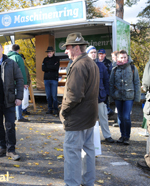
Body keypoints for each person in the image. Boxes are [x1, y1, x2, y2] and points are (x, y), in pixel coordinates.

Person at [60, 32, 100, 186]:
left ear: (76, 48)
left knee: (72, 154)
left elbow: (74, 95)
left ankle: (73, 184)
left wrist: (63, 111)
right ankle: (87, 182)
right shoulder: (91, 63)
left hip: (77, 119)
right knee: (89, 151)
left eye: (68, 47)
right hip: (89, 117)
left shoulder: (79, 65)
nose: (65, 51)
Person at [110, 50, 140, 145]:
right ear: (117, 58)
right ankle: (122, 135)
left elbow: (137, 83)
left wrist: (137, 98)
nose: (123, 59)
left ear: (127, 57)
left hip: (129, 96)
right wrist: (111, 97)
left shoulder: (132, 68)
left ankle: (127, 136)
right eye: (121, 57)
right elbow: (111, 84)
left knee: (126, 117)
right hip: (118, 96)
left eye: (125, 57)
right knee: (120, 117)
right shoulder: (114, 69)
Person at [87, 46, 117, 143]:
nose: (94, 54)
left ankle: (107, 136)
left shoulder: (101, 66)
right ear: (87, 54)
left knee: (103, 117)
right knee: (89, 119)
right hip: (88, 98)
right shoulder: (84, 66)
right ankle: (90, 138)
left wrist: (106, 94)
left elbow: (106, 81)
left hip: (100, 97)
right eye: (91, 52)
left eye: (95, 52)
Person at [5, 44, 30, 122]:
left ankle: (13, 116)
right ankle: (19, 116)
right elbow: (22, 71)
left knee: (11, 99)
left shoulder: (6, 57)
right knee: (18, 98)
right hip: (16, 81)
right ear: (18, 50)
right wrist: (25, 82)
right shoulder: (18, 57)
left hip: (8, 82)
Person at [42, 46, 61, 115]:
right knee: (48, 96)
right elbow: (43, 68)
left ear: (53, 52)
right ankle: (50, 109)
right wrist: (51, 67)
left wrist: (48, 67)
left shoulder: (56, 59)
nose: (49, 54)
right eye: (48, 53)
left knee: (54, 96)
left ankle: (55, 109)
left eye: (50, 52)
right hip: (46, 79)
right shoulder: (45, 59)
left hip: (54, 79)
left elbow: (56, 68)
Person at [99, 49, 117, 119]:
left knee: (105, 101)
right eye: (100, 54)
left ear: (105, 54)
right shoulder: (96, 62)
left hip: (105, 85)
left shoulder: (108, 63)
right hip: (99, 85)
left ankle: (107, 114)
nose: (101, 55)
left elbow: (110, 75)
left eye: (102, 54)